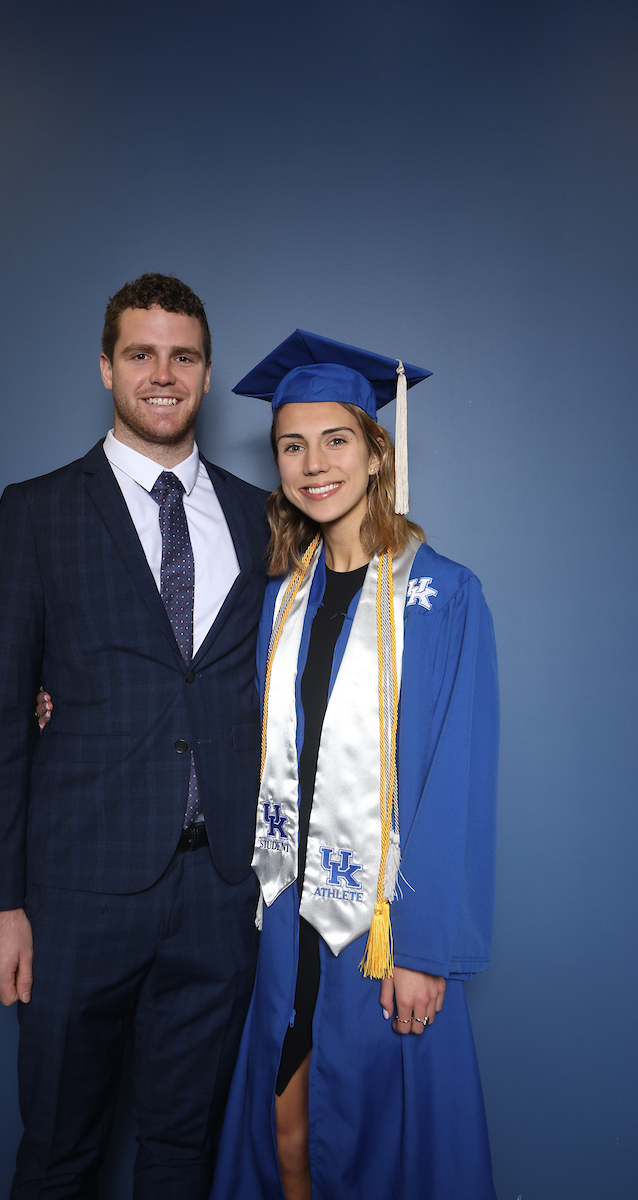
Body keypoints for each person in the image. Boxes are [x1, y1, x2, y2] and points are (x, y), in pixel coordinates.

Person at [0, 274, 269, 1199]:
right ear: (107, 368)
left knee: (183, 1153)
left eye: (183, 356)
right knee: (60, 1153)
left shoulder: (264, 519)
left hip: (221, 891)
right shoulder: (37, 512)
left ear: (208, 374)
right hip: (76, 897)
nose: (162, 373)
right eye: (141, 354)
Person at [209, 331, 499, 1200]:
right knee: (285, 1132)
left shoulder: (443, 595)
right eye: (291, 446)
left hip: (378, 929)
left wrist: (424, 951)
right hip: (282, 913)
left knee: (374, 1143)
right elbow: (220, 722)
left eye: (336, 440)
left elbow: (457, 778)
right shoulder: (277, 598)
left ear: (377, 452)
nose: (312, 464)